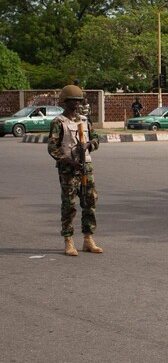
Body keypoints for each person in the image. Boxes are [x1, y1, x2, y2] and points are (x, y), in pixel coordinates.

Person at [48, 85, 103, 256]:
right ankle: (68, 240)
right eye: (73, 101)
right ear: (65, 102)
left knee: (90, 202)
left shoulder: (85, 121)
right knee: (69, 205)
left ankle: (88, 239)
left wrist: (88, 145)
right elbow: (52, 147)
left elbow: (95, 139)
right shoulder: (58, 122)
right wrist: (69, 161)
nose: (77, 104)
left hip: (86, 167)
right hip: (68, 170)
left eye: (79, 101)